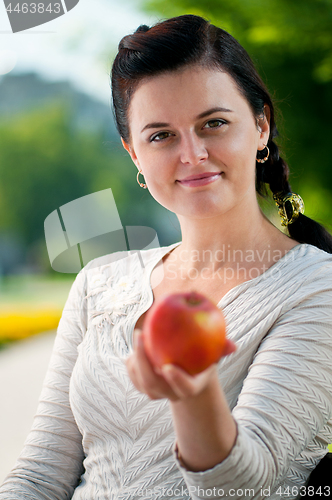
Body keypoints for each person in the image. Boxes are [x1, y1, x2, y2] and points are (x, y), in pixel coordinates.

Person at [1, 13, 332, 500]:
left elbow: (247, 486)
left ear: (261, 125)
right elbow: (40, 473)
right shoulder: (99, 283)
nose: (192, 154)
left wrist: (194, 395)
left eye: (214, 123)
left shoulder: (316, 288)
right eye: (161, 135)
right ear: (134, 154)